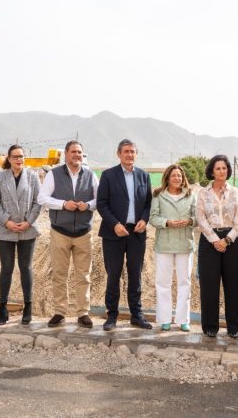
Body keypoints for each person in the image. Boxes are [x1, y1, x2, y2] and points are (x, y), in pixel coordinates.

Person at [37, 140, 98, 328]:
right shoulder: (53, 174)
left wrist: (88, 205)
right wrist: (63, 204)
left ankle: (83, 313)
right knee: (59, 274)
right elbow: (42, 198)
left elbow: (100, 200)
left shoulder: (91, 175)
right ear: (66, 154)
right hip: (60, 232)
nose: (77, 155)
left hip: (84, 233)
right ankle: (60, 312)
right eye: (73, 152)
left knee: (84, 275)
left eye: (79, 152)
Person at [97, 139, 153, 331]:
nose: (129, 154)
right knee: (113, 275)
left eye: (132, 151)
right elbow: (102, 203)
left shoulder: (144, 176)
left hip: (136, 233)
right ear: (118, 154)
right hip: (113, 234)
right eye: (126, 151)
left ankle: (136, 315)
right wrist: (115, 224)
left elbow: (148, 203)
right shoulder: (108, 175)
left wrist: (144, 220)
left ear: (136, 154)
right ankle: (111, 316)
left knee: (135, 275)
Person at [0, 145, 42, 325]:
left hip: (27, 228)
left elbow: (38, 202)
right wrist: (7, 221)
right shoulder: (0, 176)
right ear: (9, 158)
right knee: (7, 268)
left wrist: (28, 221)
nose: (19, 159)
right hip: (5, 228)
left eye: (21, 156)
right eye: (15, 157)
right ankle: (2, 308)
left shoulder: (33, 176)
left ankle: (28, 307)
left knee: (25, 268)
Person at [195, 155, 238, 338]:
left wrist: (227, 240)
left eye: (224, 168)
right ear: (212, 171)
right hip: (209, 242)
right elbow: (200, 218)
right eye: (218, 168)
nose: (222, 171)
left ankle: (233, 327)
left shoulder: (237, 193)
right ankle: (210, 326)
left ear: (228, 170)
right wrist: (215, 240)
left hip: (233, 240)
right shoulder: (203, 193)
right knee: (209, 286)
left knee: (233, 285)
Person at [149, 164, 196, 332]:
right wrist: (167, 222)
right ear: (167, 178)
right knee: (163, 282)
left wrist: (189, 221)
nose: (177, 178)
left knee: (185, 282)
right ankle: (165, 319)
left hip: (185, 244)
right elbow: (153, 218)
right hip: (164, 244)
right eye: (174, 175)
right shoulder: (158, 195)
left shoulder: (190, 195)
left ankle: (183, 319)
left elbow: (198, 217)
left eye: (179, 176)